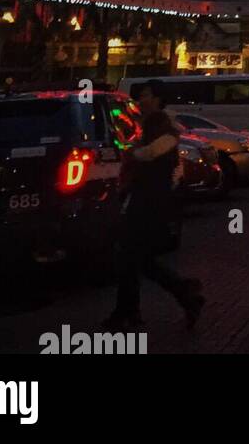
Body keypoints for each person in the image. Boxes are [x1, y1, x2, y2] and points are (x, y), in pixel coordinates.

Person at [104, 81, 204, 332]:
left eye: (146, 96)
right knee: (133, 257)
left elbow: (152, 153)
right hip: (146, 198)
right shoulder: (148, 126)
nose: (140, 100)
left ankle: (181, 293)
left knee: (134, 256)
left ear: (158, 99)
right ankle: (133, 309)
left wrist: (131, 153)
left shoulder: (162, 127)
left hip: (150, 200)